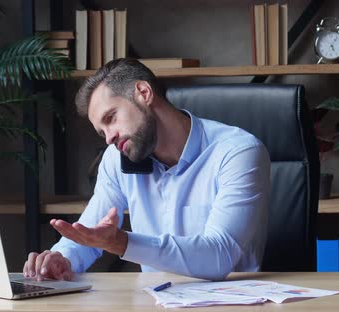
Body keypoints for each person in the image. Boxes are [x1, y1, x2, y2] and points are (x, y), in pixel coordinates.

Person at [23, 58, 270, 281]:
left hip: (233, 302)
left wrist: (123, 242)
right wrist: (61, 259)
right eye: (102, 132)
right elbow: (91, 234)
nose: (109, 138)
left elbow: (219, 256)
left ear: (144, 92)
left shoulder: (237, 152)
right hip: (155, 302)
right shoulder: (116, 158)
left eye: (111, 118)